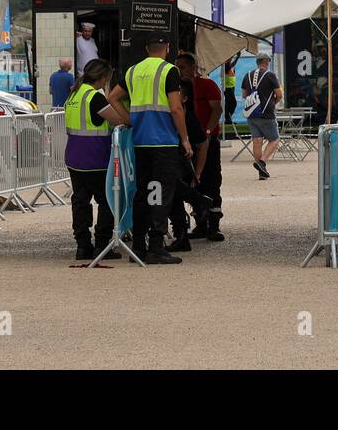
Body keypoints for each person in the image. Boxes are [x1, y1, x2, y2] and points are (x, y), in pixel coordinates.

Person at [107, 36, 192, 265]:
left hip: (140, 140)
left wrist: (129, 119)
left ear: (146, 49)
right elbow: (175, 107)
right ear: (167, 48)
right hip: (163, 141)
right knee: (161, 193)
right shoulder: (169, 71)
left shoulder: (132, 71)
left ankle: (138, 246)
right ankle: (156, 245)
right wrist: (184, 139)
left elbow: (112, 97)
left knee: (142, 192)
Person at [63, 59, 129, 261]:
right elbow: (118, 120)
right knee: (107, 202)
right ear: (103, 78)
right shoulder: (95, 98)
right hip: (94, 157)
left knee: (80, 202)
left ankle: (82, 246)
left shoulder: (74, 94)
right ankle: (102, 245)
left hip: (74, 157)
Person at [179, 52, 226, 241]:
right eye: (177, 66)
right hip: (188, 141)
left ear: (193, 67)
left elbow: (217, 109)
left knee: (212, 180)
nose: (179, 70)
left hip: (207, 140)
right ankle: (200, 222)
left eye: (182, 67)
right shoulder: (178, 88)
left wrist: (207, 131)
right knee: (191, 182)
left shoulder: (207, 85)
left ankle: (214, 225)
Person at [243, 52, 282, 179]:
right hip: (267, 113)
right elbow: (279, 94)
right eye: (269, 61)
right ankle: (262, 162)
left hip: (252, 113)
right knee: (275, 139)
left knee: (257, 141)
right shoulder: (270, 75)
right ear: (265, 61)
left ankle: (262, 173)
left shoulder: (247, 75)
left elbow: (244, 95)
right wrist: (273, 102)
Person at [223, 59, 237, 125]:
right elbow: (232, 64)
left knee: (230, 104)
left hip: (231, 87)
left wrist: (237, 56)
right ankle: (227, 118)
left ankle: (228, 119)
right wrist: (237, 57)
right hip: (228, 88)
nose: (231, 59)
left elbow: (233, 64)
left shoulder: (229, 66)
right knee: (232, 103)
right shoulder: (226, 65)